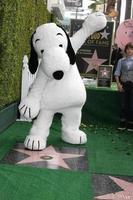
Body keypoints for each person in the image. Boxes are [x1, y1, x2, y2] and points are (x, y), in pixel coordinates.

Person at [114, 42, 133, 131]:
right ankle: (122, 122)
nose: (129, 51)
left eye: (131, 49)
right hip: (124, 84)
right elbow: (117, 73)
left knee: (131, 105)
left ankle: (130, 124)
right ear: (125, 50)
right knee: (123, 105)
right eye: (128, 49)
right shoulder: (121, 61)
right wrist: (118, 84)